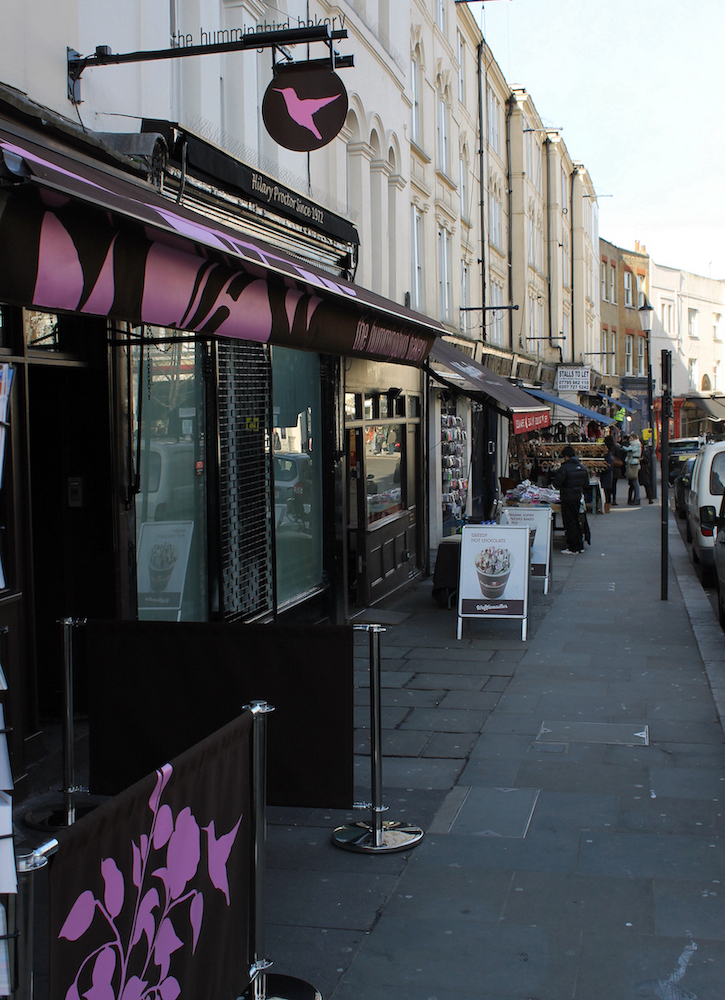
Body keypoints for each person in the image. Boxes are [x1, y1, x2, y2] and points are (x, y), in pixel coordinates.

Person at [553, 444, 589, 553]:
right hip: (577, 497)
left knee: (569, 522)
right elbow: (586, 485)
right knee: (576, 521)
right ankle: (579, 545)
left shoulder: (564, 468)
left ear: (566, 456)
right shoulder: (582, 467)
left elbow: (556, 484)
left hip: (567, 498)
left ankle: (573, 547)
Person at [623, 431, 642, 505]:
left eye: (630, 438)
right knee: (633, 482)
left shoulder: (636, 445)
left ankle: (637, 498)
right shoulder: (633, 444)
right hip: (631, 463)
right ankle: (634, 498)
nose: (629, 439)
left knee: (635, 481)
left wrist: (622, 447)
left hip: (634, 464)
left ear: (634, 438)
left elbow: (630, 450)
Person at [601, 435, 615, 511]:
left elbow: (608, 467)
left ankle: (607, 508)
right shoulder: (610, 453)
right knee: (608, 491)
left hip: (607, 476)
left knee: (607, 492)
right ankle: (607, 507)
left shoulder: (608, 456)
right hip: (609, 476)